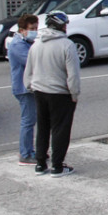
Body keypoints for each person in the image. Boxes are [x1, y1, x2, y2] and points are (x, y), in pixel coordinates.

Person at [24, 11, 80, 177]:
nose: (66, 27)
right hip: (60, 93)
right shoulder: (67, 45)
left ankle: (40, 164)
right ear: (60, 26)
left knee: (43, 128)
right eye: (65, 24)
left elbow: (29, 70)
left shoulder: (36, 44)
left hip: (40, 92)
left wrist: (30, 86)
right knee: (60, 129)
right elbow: (73, 74)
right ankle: (57, 166)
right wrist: (74, 94)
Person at [8, 13, 39, 166]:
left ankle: (30, 151)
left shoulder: (27, 42)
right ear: (22, 30)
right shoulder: (17, 45)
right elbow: (31, 62)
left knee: (31, 120)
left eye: (36, 28)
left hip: (28, 87)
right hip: (23, 88)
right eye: (31, 28)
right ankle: (25, 154)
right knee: (28, 121)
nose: (35, 31)